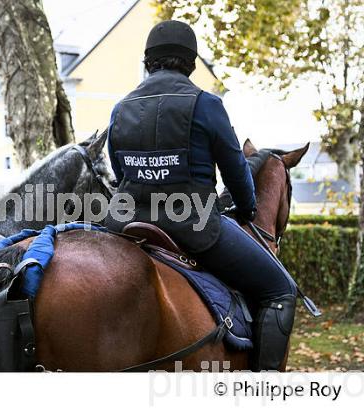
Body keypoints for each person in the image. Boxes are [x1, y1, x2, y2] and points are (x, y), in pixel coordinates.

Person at [105, 20, 297, 371]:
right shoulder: (206, 104)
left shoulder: (120, 108)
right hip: (194, 226)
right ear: (191, 62)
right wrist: (246, 205)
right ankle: (268, 389)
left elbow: (120, 172)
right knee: (280, 290)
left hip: (124, 223)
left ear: (148, 60)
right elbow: (236, 171)